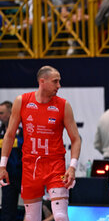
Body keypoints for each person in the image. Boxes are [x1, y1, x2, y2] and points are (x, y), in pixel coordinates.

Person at [0, 65, 81, 221]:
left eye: (59, 81)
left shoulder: (63, 105)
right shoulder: (22, 101)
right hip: (31, 166)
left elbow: (76, 139)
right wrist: (2, 165)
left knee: (60, 216)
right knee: (31, 217)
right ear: (42, 81)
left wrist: (72, 166)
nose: (59, 86)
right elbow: (9, 135)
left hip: (55, 166)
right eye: (55, 81)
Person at [0, 101, 23, 221]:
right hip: (7, 176)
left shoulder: (22, 130)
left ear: (10, 113)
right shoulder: (0, 131)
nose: (0, 116)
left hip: (23, 174)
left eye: (2, 113)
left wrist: (8, 142)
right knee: (7, 211)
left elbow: (24, 146)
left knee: (32, 206)